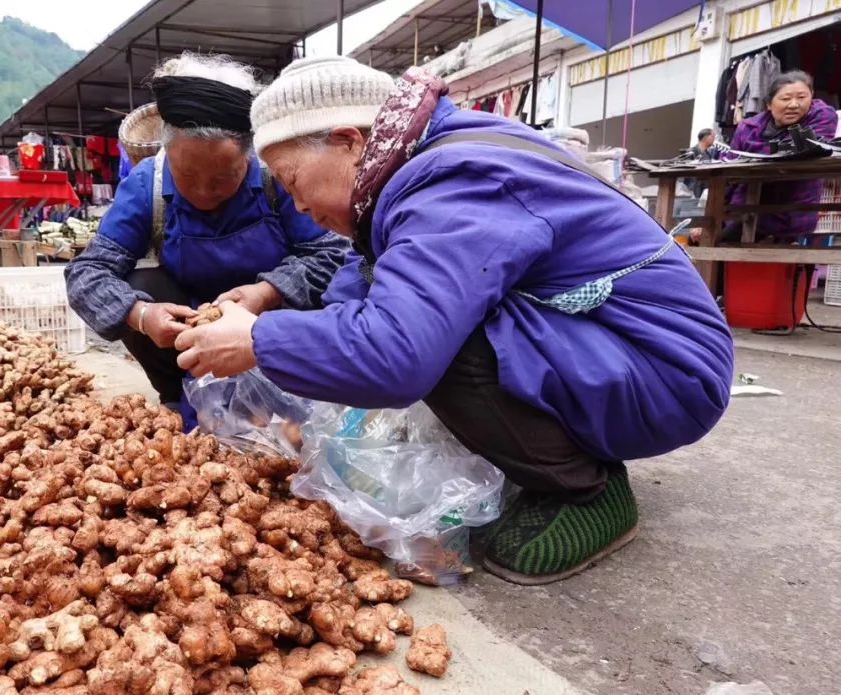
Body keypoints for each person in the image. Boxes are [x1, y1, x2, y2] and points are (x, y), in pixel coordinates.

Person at [175, 57, 735, 585]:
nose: (296, 206)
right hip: (611, 348)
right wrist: (279, 327)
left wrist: (259, 339)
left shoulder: (455, 179)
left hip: (666, 371)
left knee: (440, 341)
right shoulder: (411, 171)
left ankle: (585, 491)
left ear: (350, 143)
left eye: (293, 181)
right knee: (415, 321)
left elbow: (397, 353)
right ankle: (553, 448)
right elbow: (361, 286)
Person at [66, 54, 349, 428]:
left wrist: (266, 293)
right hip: (185, 334)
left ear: (248, 154)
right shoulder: (146, 184)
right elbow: (87, 273)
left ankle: (288, 402)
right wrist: (144, 316)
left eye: (222, 178)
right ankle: (176, 398)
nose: (203, 191)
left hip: (271, 329)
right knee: (140, 284)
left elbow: (333, 254)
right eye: (186, 175)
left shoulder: (276, 178)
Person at [727, 71, 838, 241]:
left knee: (785, 264)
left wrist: (760, 154)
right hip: (745, 211)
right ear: (769, 104)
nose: (794, 105)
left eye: (802, 97)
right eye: (785, 99)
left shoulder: (822, 116)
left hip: (793, 215)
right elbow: (729, 171)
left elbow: (798, 149)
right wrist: (716, 213)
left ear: (812, 97)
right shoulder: (748, 128)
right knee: (720, 254)